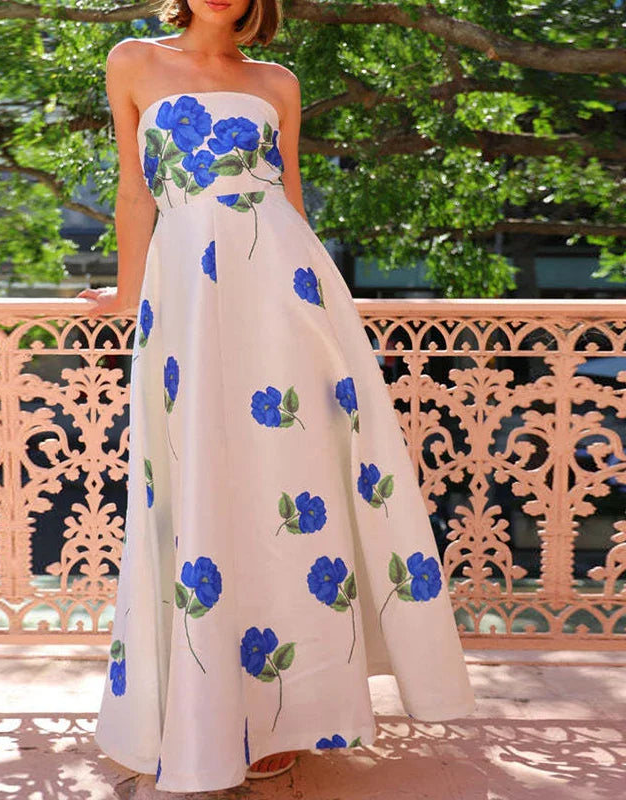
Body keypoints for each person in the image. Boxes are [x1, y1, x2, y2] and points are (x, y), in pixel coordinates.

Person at [79, 0, 476, 792]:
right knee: (200, 479)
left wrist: (325, 307)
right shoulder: (133, 60)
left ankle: (288, 711)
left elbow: (289, 200)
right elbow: (135, 193)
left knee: (293, 479)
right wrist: (126, 295)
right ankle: (203, 711)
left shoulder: (278, 81)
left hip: (286, 293)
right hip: (188, 295)